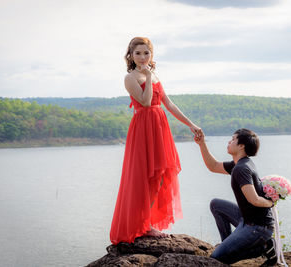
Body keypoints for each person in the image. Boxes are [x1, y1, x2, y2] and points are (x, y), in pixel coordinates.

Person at [110, 37, 201, 245]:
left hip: (160, 127)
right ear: (130, 56)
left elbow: (167, 103)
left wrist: (191, 124)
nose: (142, 57)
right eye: (138, 53)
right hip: (143, 129)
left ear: (151, 55)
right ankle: (144, 226)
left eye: (146, 53)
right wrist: (148, 77)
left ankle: (148, 222)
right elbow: (145, 100)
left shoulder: (155, 75)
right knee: (143, 176)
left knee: (160, 175)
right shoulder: (130, 77)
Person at [194, 128, 278, 266]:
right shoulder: (239, 164)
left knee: (216, 258)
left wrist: (270, 203)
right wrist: (202, 143)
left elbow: (254, 200)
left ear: (241, 146)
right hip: (247, 219)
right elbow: (213, 166)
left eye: (233, 139)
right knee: (215, 204)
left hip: (258, 227)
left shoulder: (241, 169)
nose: (229, 141)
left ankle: (264, 248)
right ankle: (227, 244)